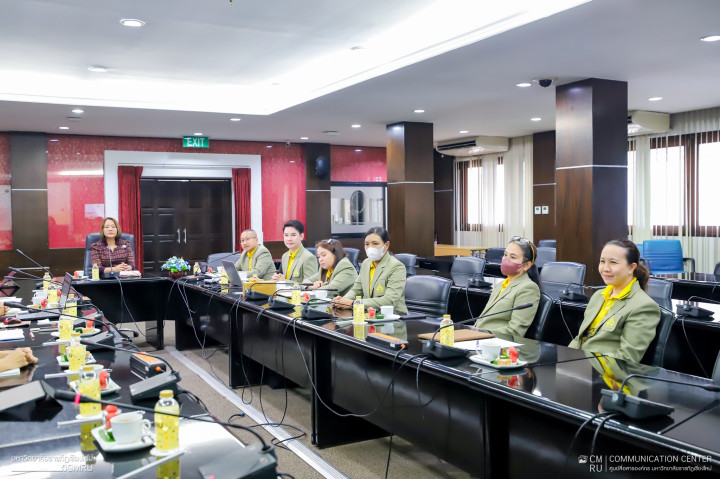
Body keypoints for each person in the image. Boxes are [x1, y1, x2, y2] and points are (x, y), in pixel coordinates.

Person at [569, 239, 660, 363]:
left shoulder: (644, 306)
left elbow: (627, 357)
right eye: (602, 261)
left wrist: (585, 365)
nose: (605, 268)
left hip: (605, 372)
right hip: (578, 365)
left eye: (613, 262)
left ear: (631, 267)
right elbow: (579, 339)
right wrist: (565, 360)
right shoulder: (598, 296)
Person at [474, 236, 540, 337]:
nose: (506, 260)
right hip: (478, 337)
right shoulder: (501, 285)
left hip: (495, 341)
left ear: (526, 265)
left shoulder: (529, 288)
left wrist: (483, 334)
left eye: (513, 257)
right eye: (505, 255)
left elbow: (515, 331)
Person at [332, 227, 407, 314]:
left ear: (386, 245)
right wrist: (342, 300)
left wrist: (354, 303)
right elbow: (356, 290)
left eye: (375, 244)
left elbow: (389, 300)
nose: (370, 248)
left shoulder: (397, 266)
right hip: (369, 314)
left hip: (393, 316)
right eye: (367, 244)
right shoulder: (366, 263)